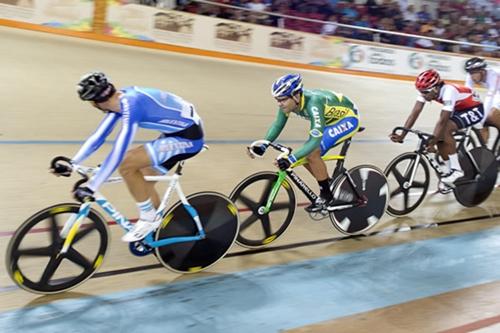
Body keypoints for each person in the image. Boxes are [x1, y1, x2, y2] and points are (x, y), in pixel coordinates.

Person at [50, 72, 205, 242]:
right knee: (143, 184)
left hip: (188, 138)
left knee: (126, 165)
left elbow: (120, 150)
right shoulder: (120, 100)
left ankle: (148, 218)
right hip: (177, 132)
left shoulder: (132, 106)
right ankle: (156, 233)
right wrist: (73, 163)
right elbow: (99, 137)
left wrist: (92, 186)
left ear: (94, 104)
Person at [247, 74, 361, 212]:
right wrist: (264, 144)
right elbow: (278, 125)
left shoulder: (314, 104)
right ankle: (328, 183)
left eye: (282, 99)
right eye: (277, 100)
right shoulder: (290, 102)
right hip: (329, 121)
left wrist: (290, 159)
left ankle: (327, 195)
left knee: (312, 153)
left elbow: (314, 141)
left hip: (347, 119)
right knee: (305, 155)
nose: (279, 103)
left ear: (296, 96)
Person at [390, 69, 485, 186]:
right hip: (459, 107)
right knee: (440, 139)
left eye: (425, 92)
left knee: (445, 130)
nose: (423, 95)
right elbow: (415, 112)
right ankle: (449, 172)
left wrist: (432, 143)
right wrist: (402, 135)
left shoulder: (449, 91)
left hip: (474, 108)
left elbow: (443, 120)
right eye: (420, 92)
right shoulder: (427, 90)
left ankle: (457, 170)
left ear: (435, 88)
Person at [464, 57, 500, 143]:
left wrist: (482, 119)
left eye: (474, 73)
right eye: (470, 73)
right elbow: (466, 94)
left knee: (491, 115)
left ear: (482, 71)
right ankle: (484, 151)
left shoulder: (493, 75)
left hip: (496, 92)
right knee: (482, 119)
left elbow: (490, 98)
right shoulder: (470, 75)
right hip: (497, 92)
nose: (471, 76)